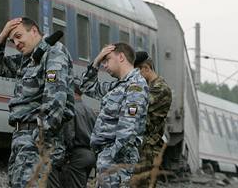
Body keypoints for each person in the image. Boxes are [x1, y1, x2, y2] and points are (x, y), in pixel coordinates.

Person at [0, 17, 74, 188]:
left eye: (19, 36)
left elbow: (55, 101)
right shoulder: (27, 59)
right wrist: (1, 38)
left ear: (34, 31)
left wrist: (39, 139)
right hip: (21, 137)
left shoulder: (53, 52)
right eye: (12, 40)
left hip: (35, 139)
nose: (16, 43)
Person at [80, 43, 149, 188]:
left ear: (121, 57)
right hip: (107, 158)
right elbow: (86, 86)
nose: (105, 65)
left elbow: (127, 128)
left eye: (107, 60)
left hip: (116, 160)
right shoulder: (117, 86)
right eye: (103, 62)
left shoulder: (135, 86)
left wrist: (113, 157)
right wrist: (96, 61)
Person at [132, 51, 172, 188]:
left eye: (137, 72)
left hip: (149, 150)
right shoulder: (150, 87)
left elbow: (139, 107)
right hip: (144, 148)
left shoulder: (160, 88)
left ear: (146, 68)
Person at [61, 78, 97, 188]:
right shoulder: (90, 110)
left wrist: (65, 155)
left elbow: (69, 134)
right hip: (90, 156)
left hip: (77, 155)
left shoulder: (71, 109)